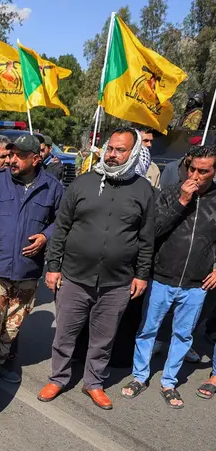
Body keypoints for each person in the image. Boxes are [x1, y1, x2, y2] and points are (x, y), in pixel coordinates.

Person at [39, 128, 154, 410]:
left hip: (117, 282)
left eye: (120, 150)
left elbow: (146, 237)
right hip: (74, 277)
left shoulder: (144, 190)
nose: (113, 155)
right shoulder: (82, 184)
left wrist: (141, 274)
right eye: (110, 148)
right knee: (65, 333)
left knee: (104, 338)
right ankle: (58, 377)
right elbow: (62, 228)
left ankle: (94, 383)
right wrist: (53, 268)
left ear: (133, 153)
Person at [120, 145, 216, 408]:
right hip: (162, 277)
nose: (195, 175)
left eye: (203, 171)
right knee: (148, 329)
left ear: (214, 172)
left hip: (197, 284)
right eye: (192, 168)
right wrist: (182, 201)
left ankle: (169, 382)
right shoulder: (171, 193)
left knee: (183, 335)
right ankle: (139, 376)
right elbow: (154, 231)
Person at [0, 135, 64, 383]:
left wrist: (45, 236)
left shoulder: (53, 187)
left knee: (13, 324)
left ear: (36, 158)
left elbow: (62, 222)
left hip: (27, 270)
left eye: (19, 155)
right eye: (10, 155)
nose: (12, 160)